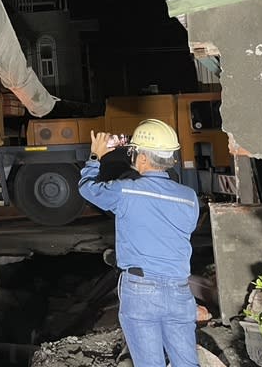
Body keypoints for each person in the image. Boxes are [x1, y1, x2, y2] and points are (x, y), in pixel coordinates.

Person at [78, 120, 199, 367]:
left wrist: (95, 157)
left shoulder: (127, 192)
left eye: (133, 152)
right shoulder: (189, 198)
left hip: (141, 290)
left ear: (143, 157)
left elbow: (88, 189)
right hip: (179, 291)